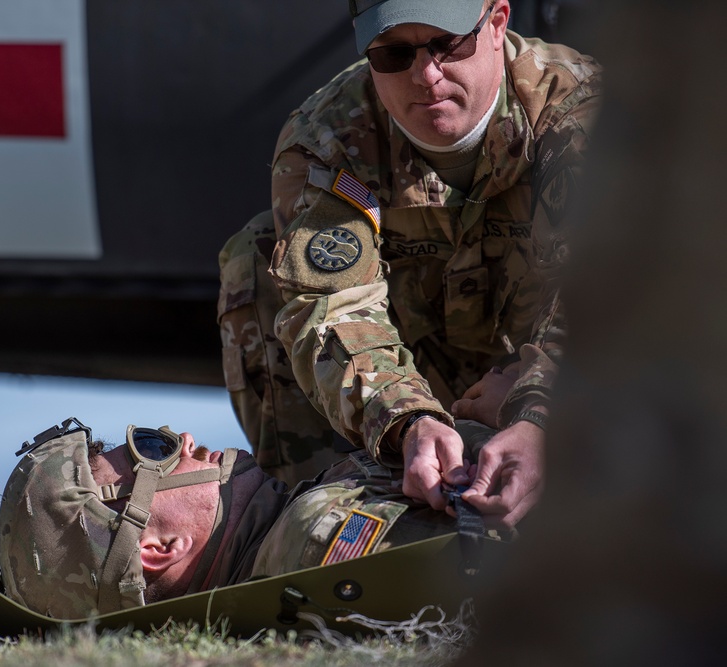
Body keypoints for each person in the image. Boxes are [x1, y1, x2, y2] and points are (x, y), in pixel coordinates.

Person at [217, 0, 602, 527]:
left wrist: (539, 411)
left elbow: (618, 292)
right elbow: (333, 307)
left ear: (496, 24)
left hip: (543, 380)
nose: (426, 74)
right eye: (394, 53)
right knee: (256, 256)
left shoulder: (586, 114)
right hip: (405, 393)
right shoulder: (329, 141)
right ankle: (318, 532)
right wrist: (406, 420)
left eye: (449, 44)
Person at [0, 416, 498, 619]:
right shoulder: (317, 540)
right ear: (157, 549)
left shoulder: (288, 537)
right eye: (154, 450)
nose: (184, 441)